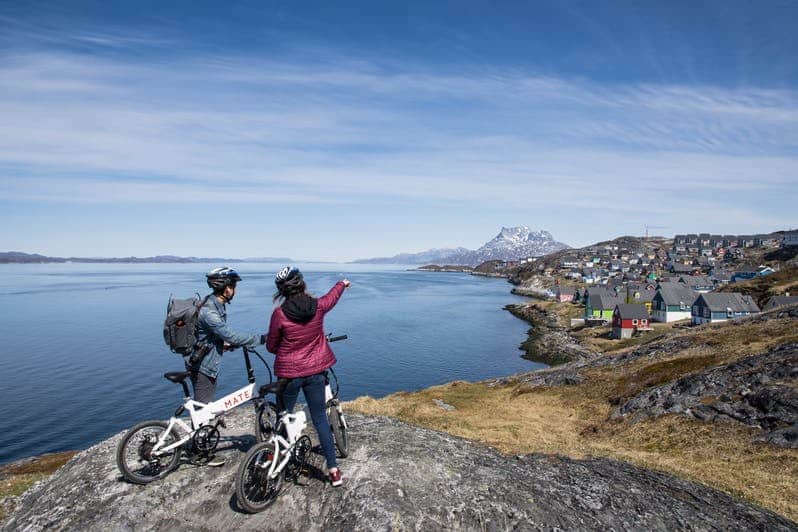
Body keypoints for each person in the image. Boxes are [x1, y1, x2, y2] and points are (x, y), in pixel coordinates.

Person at [265, 266, 350, 487]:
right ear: (302, 284)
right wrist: (342, 284)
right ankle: (333, 471)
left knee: (283, 414)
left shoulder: (279, 314)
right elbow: (332, 298)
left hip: (289, 375)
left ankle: (275, 456)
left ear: (282, 291)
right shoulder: (318, 307)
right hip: (315, 373)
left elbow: (272, 345)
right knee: (320, 419)